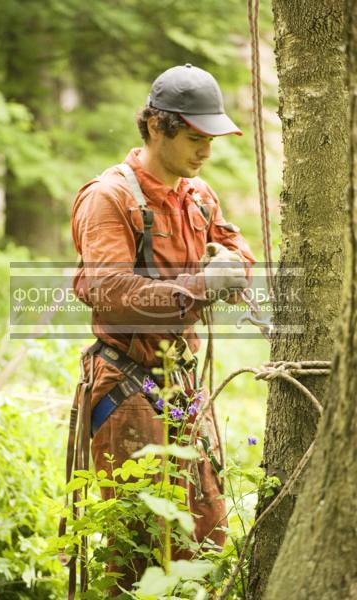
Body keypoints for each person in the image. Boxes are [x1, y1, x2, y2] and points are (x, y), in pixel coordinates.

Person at [71, 63, 256, 591]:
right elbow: (112, 293)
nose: (206, 152)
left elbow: (238, 249)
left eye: (211, 139)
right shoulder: (110, 198)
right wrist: (202, 287)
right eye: (195, 137)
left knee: (207, 535)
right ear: (157, 127)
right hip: (126, 384)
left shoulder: (198, 195)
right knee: (137, 546)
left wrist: (229, 265)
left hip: (184, 384)